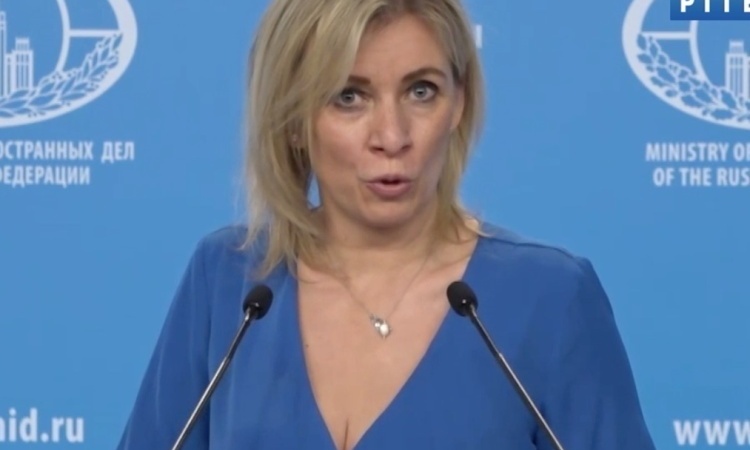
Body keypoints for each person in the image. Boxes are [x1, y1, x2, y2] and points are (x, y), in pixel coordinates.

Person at [116, 0, 657, 448]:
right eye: (349, 97)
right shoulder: (229, 279)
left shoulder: (550, 297)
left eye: (421, 91)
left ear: (459, 104)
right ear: (294, 119)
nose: (392, 136)